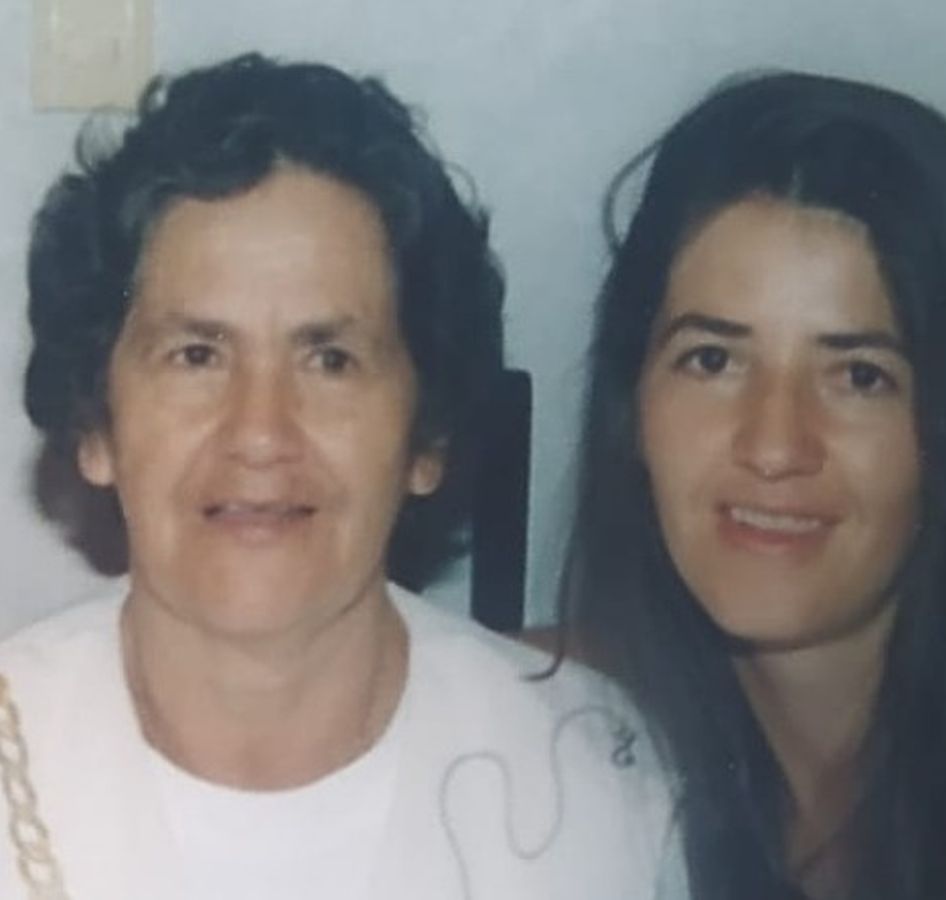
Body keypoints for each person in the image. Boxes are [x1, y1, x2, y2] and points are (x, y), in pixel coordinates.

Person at [0, 54, 682, 900]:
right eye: (197, 354)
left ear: (425, 437)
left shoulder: (597, 788)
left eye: (330, 359)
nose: (260, 432)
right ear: (97, 425)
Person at [559, 71, 946, 900]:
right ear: (632, 406)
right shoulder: (578, 758)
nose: (775, 446)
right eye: (712, 359)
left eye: (860, 376)